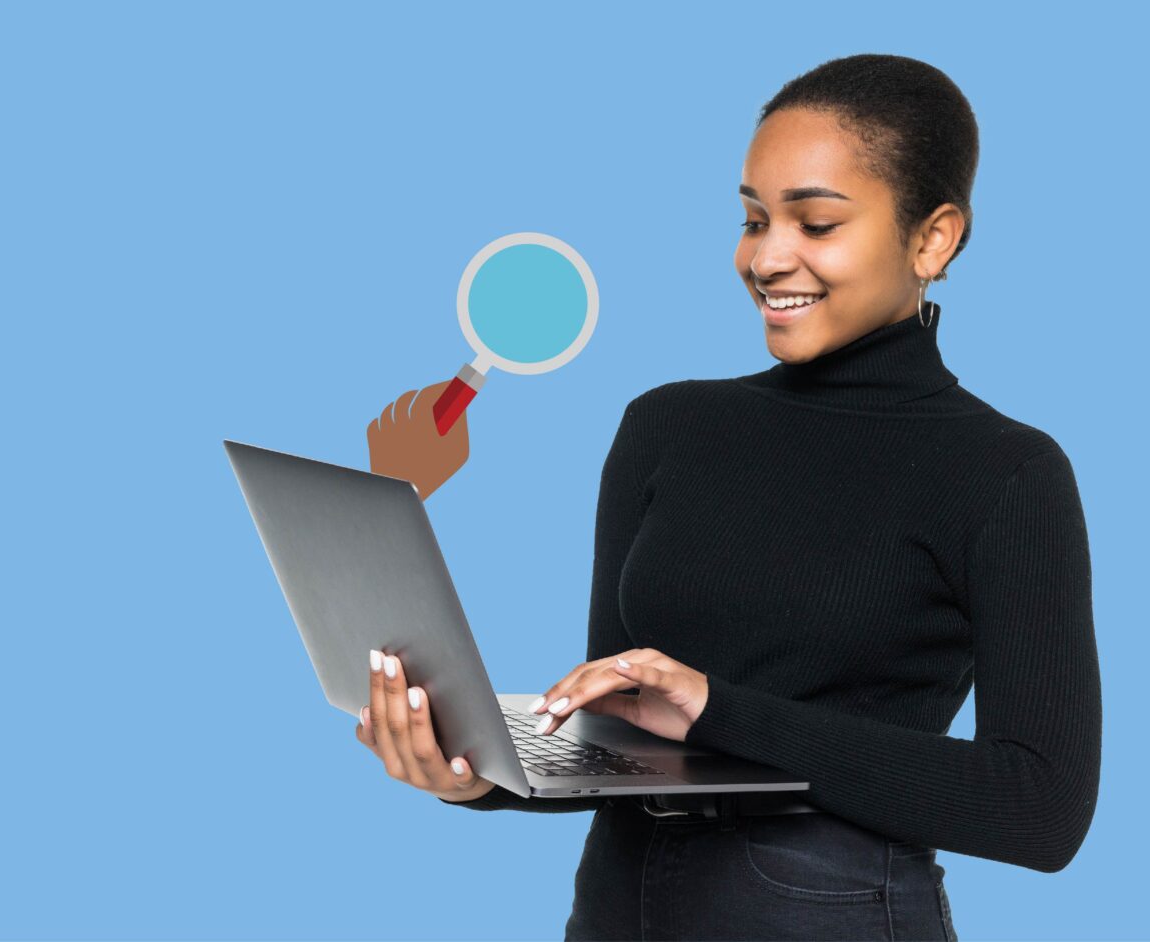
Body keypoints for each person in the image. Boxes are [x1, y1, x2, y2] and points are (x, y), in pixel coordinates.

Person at [357, 54, 1099, 941]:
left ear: (933, 238)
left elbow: (1040, 810)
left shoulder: (1004, 471)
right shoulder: (669, 426)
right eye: (753, 218)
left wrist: (721, 710)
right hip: (615, 905)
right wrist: (472, 775)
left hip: (827, 910)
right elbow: (616, 741)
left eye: (816, 222)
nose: (766, 256)